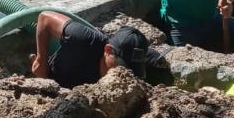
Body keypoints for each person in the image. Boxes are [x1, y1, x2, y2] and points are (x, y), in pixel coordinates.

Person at [30, 11, 160, 88]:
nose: (124, 76)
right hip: (53, 81)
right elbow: (44, 18)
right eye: (122, 68)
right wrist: (41, 60)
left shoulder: (134, 60)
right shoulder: (83, 38)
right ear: (108, 51)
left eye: (132, 71)